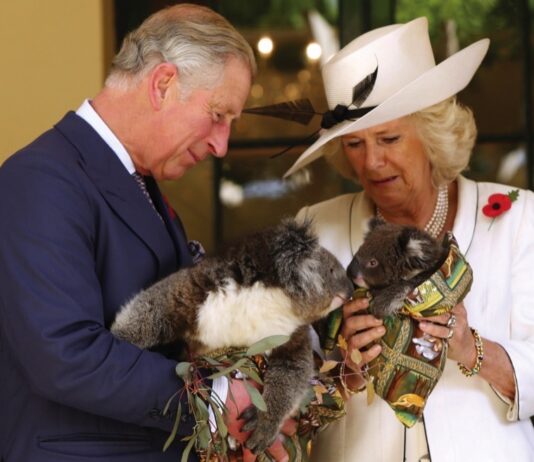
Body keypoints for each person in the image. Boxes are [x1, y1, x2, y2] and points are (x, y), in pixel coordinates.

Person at [0, 4, 268, 461]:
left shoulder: (137, 183)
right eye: (218, 115)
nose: (221, 145)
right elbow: (66, 355)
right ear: (163, 84)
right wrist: (216, 401)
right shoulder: (41, 178)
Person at [284, 17, 534, 462]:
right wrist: (345, 370)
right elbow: (276, 396)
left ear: (432, 132)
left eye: (389, 138)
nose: (372, 162)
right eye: (354, 144)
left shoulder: (519, 221)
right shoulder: (315, 229)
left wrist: (471, 348)